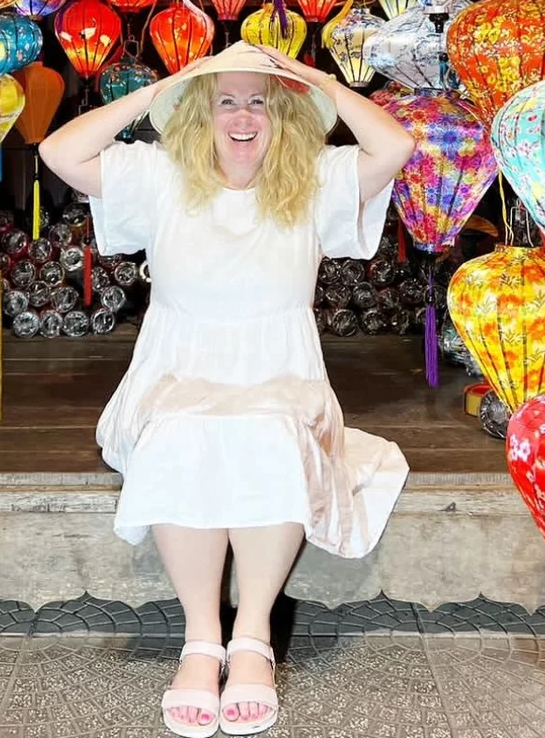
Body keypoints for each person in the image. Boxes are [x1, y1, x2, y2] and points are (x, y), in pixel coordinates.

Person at [39, 42, 414, 737]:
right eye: (226, 100)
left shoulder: (311, 176)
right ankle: (201, 637)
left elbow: (393, 144)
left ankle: (252, 638)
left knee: (268, 428)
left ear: (285, 117)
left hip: (280, 370)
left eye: (260, 101)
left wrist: (310, 78)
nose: (244, 117)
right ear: (200, 115)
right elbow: (60, 153)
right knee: (184, 427)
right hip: (175, 367)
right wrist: (169, 86)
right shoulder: (162, 174)